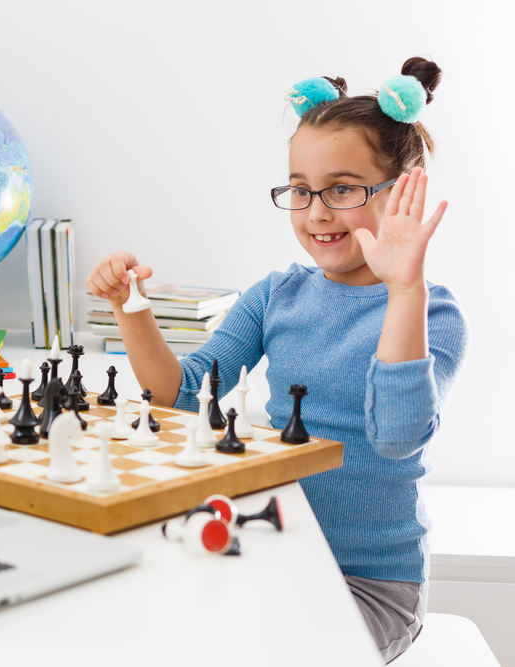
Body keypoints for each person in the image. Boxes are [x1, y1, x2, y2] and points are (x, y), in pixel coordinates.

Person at [85, 57, 468, 664]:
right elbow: (182, 396)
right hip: (274, 548)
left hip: (367, 584)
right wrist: (129, 307)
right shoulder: (276, 295)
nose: (316, 211)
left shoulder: (431, 313)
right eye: (300, 188)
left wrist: (404, 289)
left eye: (342, 188)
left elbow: (396, 439)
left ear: (401, 191)